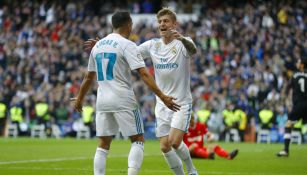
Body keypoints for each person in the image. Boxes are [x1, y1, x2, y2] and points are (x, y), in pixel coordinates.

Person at [84, 8, 198, 175]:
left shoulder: (183, 43)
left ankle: (191, 170)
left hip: (181, 102)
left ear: (175, 24)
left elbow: (193, 50)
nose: (162, 24)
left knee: (174, 142)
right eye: (160, 22)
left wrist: (182, 39)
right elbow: (127, 50)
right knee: (165, 146)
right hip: (162, 103)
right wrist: (102, 47)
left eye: (166, 21)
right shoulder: (153, 45)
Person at [277, 58, 307, 157]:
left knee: (289, 123)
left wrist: (283, 96)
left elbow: (288, 87)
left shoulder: (295, 75)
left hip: (299, 104)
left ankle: (286, 150)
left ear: (302, 65)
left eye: (298, 62)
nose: (297, 63)